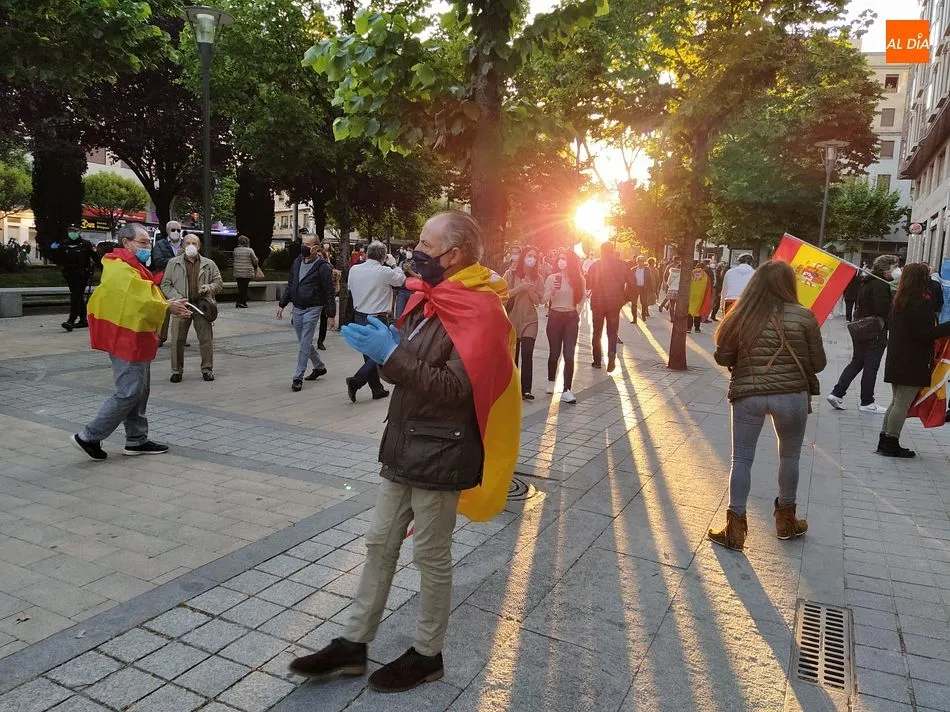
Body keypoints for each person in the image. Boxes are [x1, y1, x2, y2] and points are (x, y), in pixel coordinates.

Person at [289, 211, 520, 693]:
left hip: (442, 453)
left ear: (453, 254)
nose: (416, 251)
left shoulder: (482, 311)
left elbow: (455, 389)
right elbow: (406, 369)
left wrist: (391, 354)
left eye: (425, 244)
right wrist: (389, 351)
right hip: (403, 444)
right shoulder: (429, 299)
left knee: (430, 557)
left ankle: (427, 654)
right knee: (379, 544)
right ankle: (353, 643)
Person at [708, 261, 826, 550]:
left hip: (748, 394)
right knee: (790, 456)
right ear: (789, 284)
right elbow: (819, 363)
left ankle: (734, 530)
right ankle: (786, 522)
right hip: (792, 395)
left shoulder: (741, 314)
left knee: (741, 459)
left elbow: (723, 357)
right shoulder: (805, 316)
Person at [71, 223, 190, 461]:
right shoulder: (119, 268)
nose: (147, 247)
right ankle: (89, 436)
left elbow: (143, 295)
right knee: (129, 392)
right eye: (142, 242)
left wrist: (165, 304)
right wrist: (166, 307)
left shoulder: (130, 266)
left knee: (140, 390)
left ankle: (136, 439)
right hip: (125, 336)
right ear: (126, 242)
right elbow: (137, 300)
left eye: (148, 242)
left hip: (136, 334)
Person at [877, 263, 950, 457]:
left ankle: (885, 439)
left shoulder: (900, 300)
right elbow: (925, 334)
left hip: (898, 357)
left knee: (897, 401)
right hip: (912, 359)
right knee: (902, 403)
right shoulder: (920, 302)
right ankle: (891, 442)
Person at [826, 255, 898, 413]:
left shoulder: (867, 281)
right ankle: (867, 401)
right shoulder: (880, 284)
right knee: (871, 365)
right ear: (885, 269)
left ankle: (837, 393)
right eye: (894, 267)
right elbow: (882, 309)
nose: (896, 270)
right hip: (875, 330)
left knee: (857, 361)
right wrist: (894, 304)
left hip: (861, 328)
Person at [344, 241, 407, 402]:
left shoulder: (354, 269)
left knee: (369, 353)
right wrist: (394, 265)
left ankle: (376, 389)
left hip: (359, 314)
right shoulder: (384, 271)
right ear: (383, 256)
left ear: (367, 254)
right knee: (381, 351)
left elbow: (350, 287)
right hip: (377, 316)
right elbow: (401, 280)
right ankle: (357, 380)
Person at [160, 234, 223, 383]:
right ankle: (176, 371)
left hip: (202, 306)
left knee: (206, 340)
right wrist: (178, 298)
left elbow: (218, 283)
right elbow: (165, 284)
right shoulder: (173, 263)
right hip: (182, 306)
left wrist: (209, 287)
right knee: (177, 340)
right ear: (183, 245)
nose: (191, 246)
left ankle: (207, 369)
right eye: (188, 243)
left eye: (194, 243)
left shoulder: (209, 264)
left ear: (199, 246)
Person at [277, 234, 336, 392]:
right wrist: (282, 304)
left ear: (316, 248)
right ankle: (319, 366)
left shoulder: (323, 267)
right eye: (303, 243)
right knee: (303, 341)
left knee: (304, 342)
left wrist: (331, 314)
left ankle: (298, 377)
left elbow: (329, 291)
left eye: (307, 245)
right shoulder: (297, 262)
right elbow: (291, 284)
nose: (303, 247)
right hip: (297, 308)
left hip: (313, 307)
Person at [543, 250, 585, 403]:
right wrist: (552, 292)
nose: (561, 261)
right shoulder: (552, 278)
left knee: (569, 354)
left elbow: (582, 298)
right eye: (560, 259)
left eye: (565, 259)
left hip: (570, 318)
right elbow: (542, 299)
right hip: (555, 316)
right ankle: (551, 381)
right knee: (554, 353)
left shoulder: (579, 279)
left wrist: (576, 313)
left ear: (571, 262)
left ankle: (567, 389)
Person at [503, 244, 543, 398]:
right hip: (512, 319)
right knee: (512, 356)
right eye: (529, 256)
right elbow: (504, 294)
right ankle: (512, 387)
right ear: (523, 257)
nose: (532, 259)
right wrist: (522, 287)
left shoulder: (538, 278)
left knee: (527, 353)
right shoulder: (510, 274)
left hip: (530, 320)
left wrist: (530, 288)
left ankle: (526, 389)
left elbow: (538, 301)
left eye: (534, 257)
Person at [586, 242, 631, 373]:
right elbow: (633, 282)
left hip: (598, 303)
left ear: (601, 251)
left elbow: (588, 285)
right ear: (613, 251)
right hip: (615, 303)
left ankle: (597, 361)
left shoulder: (596, 266)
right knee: (612, 331)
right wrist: (625, 298)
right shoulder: (623, 265)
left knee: (597, 332)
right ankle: (612, 352)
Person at [51, 224, 97, 332]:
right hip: (69, 275)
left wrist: (104, 268)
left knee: (75, 295)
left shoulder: (85, 244)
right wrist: (53, 250)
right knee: (78, 296)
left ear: (79, 232)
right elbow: (58, 259)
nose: (72, 233)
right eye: (70, 230)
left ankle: (71, 320)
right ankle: (83, 320)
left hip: (82, 275)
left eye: (75, 231)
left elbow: (95, 258)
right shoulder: (64, 244)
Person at [152, 220, 185, 344]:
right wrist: (176, 259)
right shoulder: (160, 244)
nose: (176, 232)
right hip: (165, 280)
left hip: (181, 279)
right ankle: (161, 336)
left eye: (178, 230)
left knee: (181, 307)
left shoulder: (185, 243)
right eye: (173, 230)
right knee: (164, 308)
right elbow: (158, 261)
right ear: (167, 231)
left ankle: (180, 337)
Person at [231, 235, 259, 308]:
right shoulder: (250, 250)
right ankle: (242, 302)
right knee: (244, 287)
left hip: (237, 271)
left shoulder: (235, 250)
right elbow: (255, 260)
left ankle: (239, 301)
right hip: (247, 271)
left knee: (240, 287)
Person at [687, 261, 713, 332]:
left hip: (691, 294)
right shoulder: (705, 275)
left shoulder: (691, 273)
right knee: (698, 312)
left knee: (689, 311)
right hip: (700, 295)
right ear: (704, 267)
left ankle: (688, 328)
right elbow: (708, 286)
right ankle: (697, 328)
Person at [627, 255, 654, 323]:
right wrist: (627, 289)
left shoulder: (647, 269)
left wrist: (651, 290)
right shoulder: (633, 269)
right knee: (634, 304)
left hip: (643, 288)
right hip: (634, 288)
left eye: (642, 261)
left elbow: (649, 279)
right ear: (637, 262)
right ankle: (634, 318)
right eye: (640, 261)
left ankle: (643, 315)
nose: (641, 262)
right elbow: (629, 280)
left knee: (644, 303)